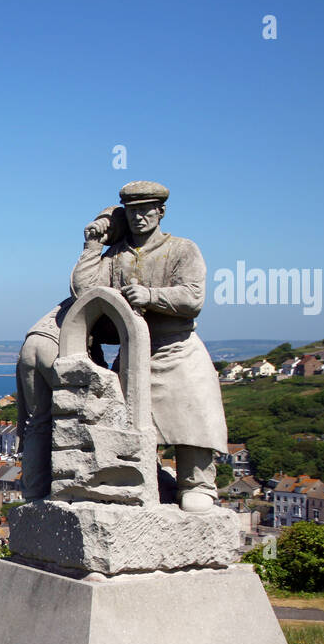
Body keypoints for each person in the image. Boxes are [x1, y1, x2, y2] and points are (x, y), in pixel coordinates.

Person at [16, 180, 227, 512]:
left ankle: (197, 482)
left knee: (192, 418)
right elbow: (83, 291)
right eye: (131, 212)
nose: (139, 217)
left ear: (161, 211)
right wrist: (92, 246)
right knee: (125, 426)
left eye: (146, 210)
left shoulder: (183, 249)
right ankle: (147, 479)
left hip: (176, 348)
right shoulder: (116, 256)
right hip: (134, 355)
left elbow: (193, 297)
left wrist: (152, 296)